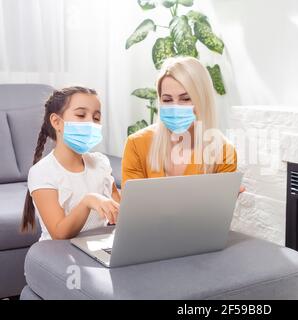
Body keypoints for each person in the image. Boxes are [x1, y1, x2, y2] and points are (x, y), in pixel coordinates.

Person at [21, 87, 121, 240]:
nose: (90, 123)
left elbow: (119, 212)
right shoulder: (42, 172)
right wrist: (88, 201)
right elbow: (59, 234)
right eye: (81, 115)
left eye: (96, 118)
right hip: (60, 252)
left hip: (97, 247)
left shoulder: (101, 163)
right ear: (56, 122)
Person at [122, 56, 240, 185]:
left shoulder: (223, 152)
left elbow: (219, 203)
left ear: (202, 99)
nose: (175, 108)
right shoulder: (137, 144)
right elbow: (134, 203)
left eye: (185, 99)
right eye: (167, 100)